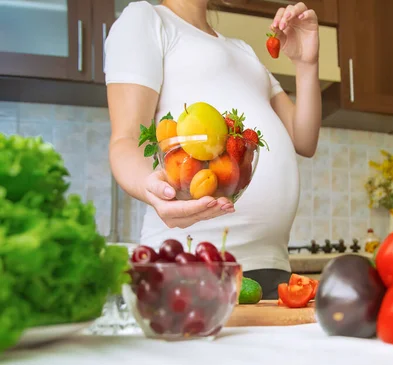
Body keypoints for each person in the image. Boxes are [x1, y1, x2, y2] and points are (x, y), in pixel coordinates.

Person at [104, 0, 321, 299]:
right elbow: (125, 140)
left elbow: (304, 139)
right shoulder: (146, 19)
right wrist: (152, 189)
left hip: (270, 267)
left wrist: (307, 64)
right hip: (192, 264)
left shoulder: (243, 50)